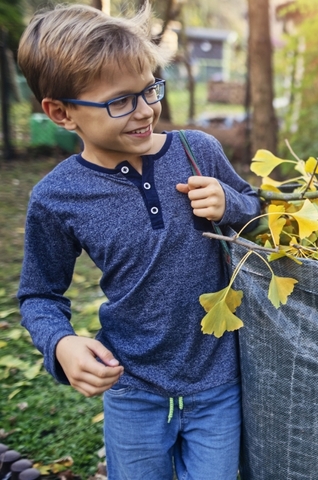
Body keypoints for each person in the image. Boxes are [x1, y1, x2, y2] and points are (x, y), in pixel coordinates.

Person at [15, 4, 261, 479]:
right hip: (132, 390)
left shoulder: (198, 151)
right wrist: (61, 344)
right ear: (61, 113)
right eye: (121, 101)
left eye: (150, 88)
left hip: (218, 386)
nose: (147, 109)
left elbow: (258, 212)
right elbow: (39, 295)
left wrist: (230, 202)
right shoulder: (56, 197)